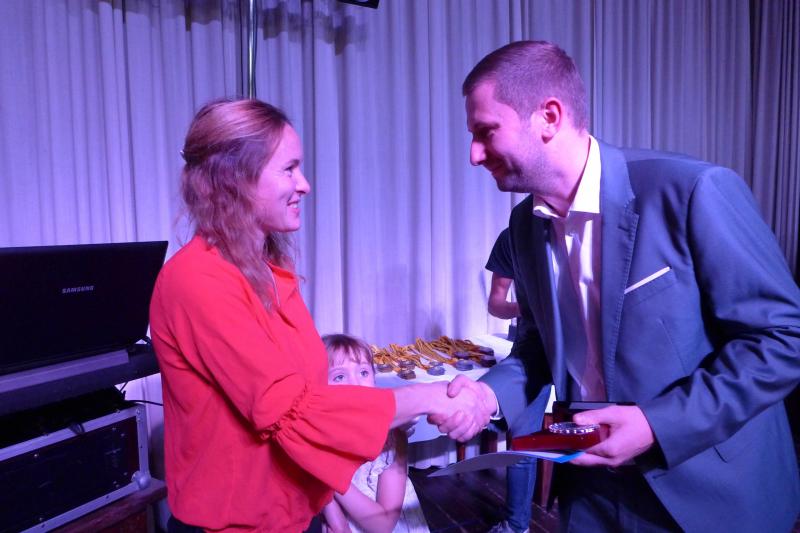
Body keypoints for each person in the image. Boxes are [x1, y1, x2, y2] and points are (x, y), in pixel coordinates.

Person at [437, 40, 800, 532]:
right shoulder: (523, 226)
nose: (474, 155)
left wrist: (656, 426)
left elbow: (783, 339)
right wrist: (488, 397)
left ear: (548, 117)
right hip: (590, 492)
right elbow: (537, 348)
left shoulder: (693, 191)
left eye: (485, 132)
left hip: (707, 491)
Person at [149, 98, 491, 533]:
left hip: (293, 515)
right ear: (235, 179)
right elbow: (293, 411)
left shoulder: (269, 272)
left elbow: (313, 393)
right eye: (289, 169)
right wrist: (430, 397)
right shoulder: (198, 280)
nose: (305, 184)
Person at [320, 333, 430, 533]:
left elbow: (383, 525)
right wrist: (332, 513)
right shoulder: (315, 433)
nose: (356, 384)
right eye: (339, 376)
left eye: (363, 372)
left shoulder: (392, 438)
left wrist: (327, 475)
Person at [485, 228, 550, 533]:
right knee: (523, 442)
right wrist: (524, 308)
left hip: (584, 348)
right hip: (532, 348)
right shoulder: (512, 236)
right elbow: (496, 303)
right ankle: (516, 526)